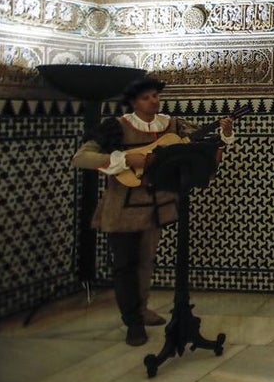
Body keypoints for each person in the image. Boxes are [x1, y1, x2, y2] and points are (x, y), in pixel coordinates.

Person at [72, 77, 234, 346]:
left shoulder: (171, 125)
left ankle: (143, 308)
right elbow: (82, 157)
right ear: (134, 102)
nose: (154, 101)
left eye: (156, 96)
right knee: (124, 264)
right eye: (147, 97)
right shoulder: (115, 128)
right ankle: (132, 322)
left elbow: (203, 142)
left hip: (156, 206)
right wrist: (123, 159)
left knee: (146, 260)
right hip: (121, 206)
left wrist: (225, 133)